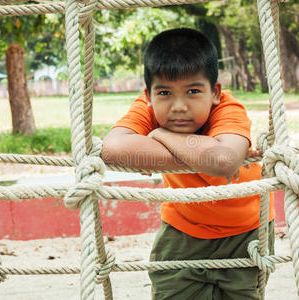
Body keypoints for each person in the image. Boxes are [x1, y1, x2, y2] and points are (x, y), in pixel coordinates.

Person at [101, 28, 275, 300]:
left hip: (246, 232)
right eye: (165, 93)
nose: (178, 106)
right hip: (182, 230)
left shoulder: (227, 109)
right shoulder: (146, 107)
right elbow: (112, 149)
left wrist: (160, 136)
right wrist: (203, 153)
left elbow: (224, 160)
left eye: (193, 91)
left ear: (215, 92)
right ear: (148, 95)